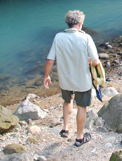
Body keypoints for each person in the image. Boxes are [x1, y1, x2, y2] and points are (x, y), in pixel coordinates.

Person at [44, 10, 100, 147]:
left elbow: (50, 60)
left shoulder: (58, 37)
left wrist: (46, 76)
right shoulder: (86, 38)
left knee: (67, 101)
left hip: (65, 79)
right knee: (82, 107)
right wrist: (89, 62)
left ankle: (65, 128)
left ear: (68, 23)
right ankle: (79, 138)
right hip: (83, 80)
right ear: (80, 24)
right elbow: (96, 61)